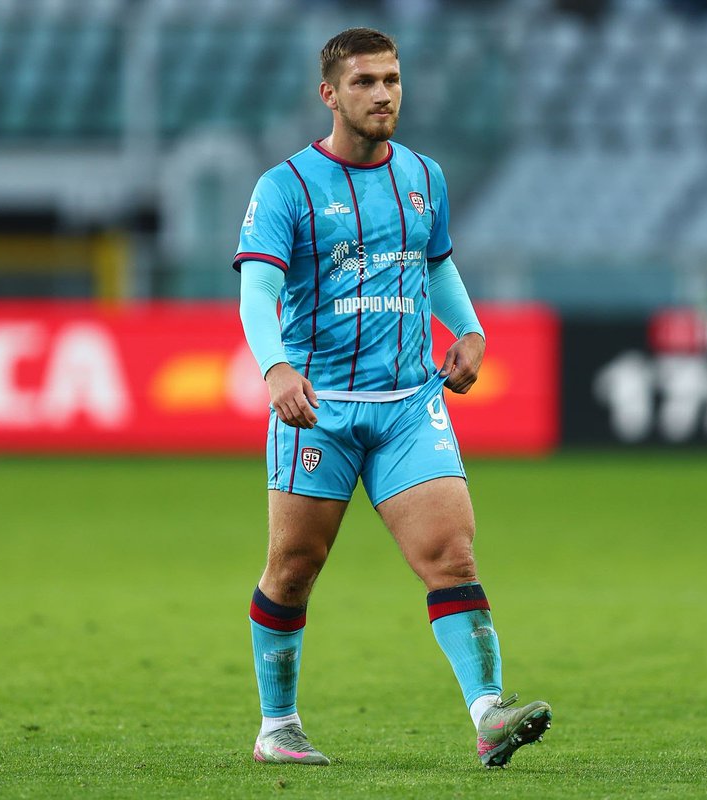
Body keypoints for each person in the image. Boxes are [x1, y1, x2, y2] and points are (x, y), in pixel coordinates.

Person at [233, 27, 552, 769]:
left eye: (392, 80)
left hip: (411, 404)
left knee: (452, 556)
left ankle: (489, 714)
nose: (383, 94)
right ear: (329, 94)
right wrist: (276, 370)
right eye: (365, 82)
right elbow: (257, 291)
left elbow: (434, 263)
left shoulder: (424, 176)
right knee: (294, 568)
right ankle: (278, 726)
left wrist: (469, 330)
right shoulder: (285, 187)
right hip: (321, 407)